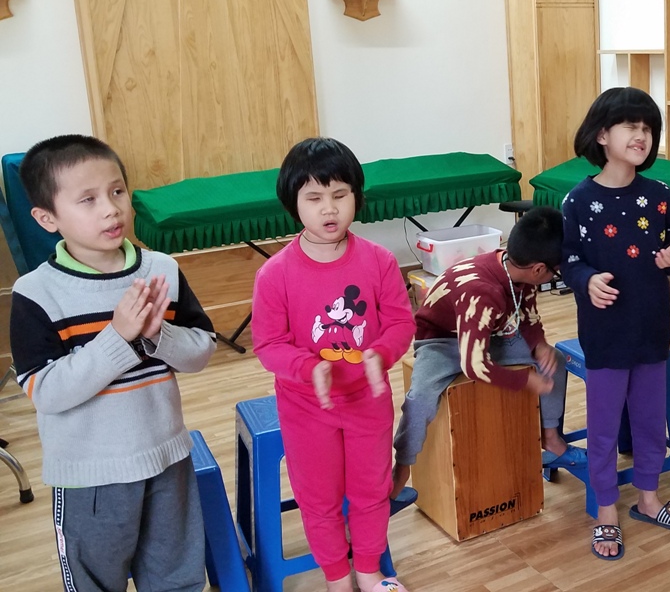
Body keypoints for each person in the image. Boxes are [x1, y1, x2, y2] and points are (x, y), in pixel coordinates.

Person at [11, 134, 217, 591]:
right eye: (88, 199)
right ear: (47, 218)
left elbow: (202, 350)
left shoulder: (161, 269)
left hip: (167, 459)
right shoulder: (36, 293)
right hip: (91, 479)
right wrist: (118, 337)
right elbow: (46, 392)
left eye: (117, 191)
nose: (111, 209)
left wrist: (157, 335)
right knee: (95, 583)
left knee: (178, 579)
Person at [252, 138, 415, 592]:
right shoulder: (275, 274)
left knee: (371, 490)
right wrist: (308, 367)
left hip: (368, 400)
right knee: (318, 499)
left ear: (356, 197)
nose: (329, 209)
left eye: (340, 195)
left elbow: (401, 323)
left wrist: (380, 353)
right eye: (314, 198)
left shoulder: (380, 261)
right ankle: (337, 578)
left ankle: (368, 569)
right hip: (307, 407)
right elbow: (268, 344)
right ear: (294, 204)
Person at [561, 87, 670, 560]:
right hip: (605, 334)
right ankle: (606, 510)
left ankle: (648, 499)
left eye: (648, 128)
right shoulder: (578, 200)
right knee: (602, 428)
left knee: (649, 421)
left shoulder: (660, 196)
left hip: (652, 329)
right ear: (602, 135)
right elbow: (568, 260)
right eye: (631, 127)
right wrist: (586, 279)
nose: (642, 136)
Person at [390, 206, 585, 500]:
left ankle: (550, 437)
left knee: (553, 361)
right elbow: (475, 366)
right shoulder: (483, 292)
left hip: (489, 333)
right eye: (556, 271)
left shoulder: (518, 271)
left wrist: (539, 343)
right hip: (441, 341)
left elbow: (528, 317)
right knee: (420, 400)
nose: (557, 275)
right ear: (538, 270)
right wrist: (524, 381)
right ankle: (402, 467)